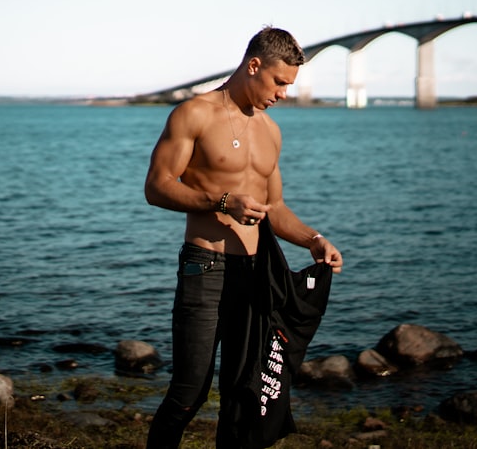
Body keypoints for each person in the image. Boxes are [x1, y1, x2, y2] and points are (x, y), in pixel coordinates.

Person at [144, 26, 344, 448]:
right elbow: (157, 186)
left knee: (245, 395)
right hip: (206, 268)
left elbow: (276, 210)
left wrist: (313, 239)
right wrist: (221, 202)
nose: (284, 94)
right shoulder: (194, 114)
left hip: (256, 274)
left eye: (290, 85)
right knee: (189, 392)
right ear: (254, 66)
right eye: (279, 82)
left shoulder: (270, 131)